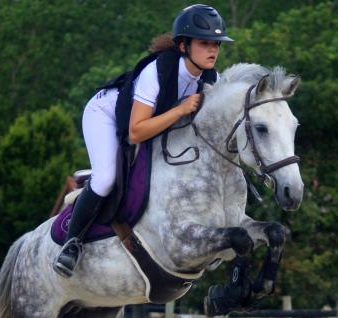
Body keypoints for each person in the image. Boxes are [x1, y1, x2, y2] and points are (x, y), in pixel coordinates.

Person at [54, 4, 234, 277]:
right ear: (184, 46)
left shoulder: (211, 79)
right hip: (106, 115)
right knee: (105, 179)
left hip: (148, 123)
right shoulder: (157, 71)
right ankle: (72, 244)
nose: (213, 50)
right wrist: (180, 109)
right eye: (205, 43)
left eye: (216, 44)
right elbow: (136, 132)